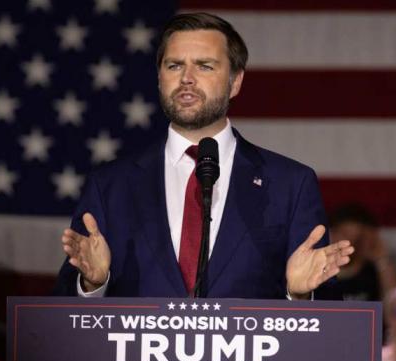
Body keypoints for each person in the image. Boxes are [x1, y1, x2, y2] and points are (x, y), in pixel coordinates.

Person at [54, 12, 353, 299]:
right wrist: (93, 283)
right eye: (174, 66)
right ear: (159, 79)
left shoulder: (290, 184)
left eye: (204, 66)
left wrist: (299, 295)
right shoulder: (109, 185)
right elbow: (62, 315)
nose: (186, 78)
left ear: (235, 82)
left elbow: (326, 312)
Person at [328, 203, 396, 301]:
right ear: (332, 234)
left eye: (359, 238)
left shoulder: (375, 271)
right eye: (345, 235)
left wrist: (382, 259)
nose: (352, 243)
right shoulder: (320, 272)